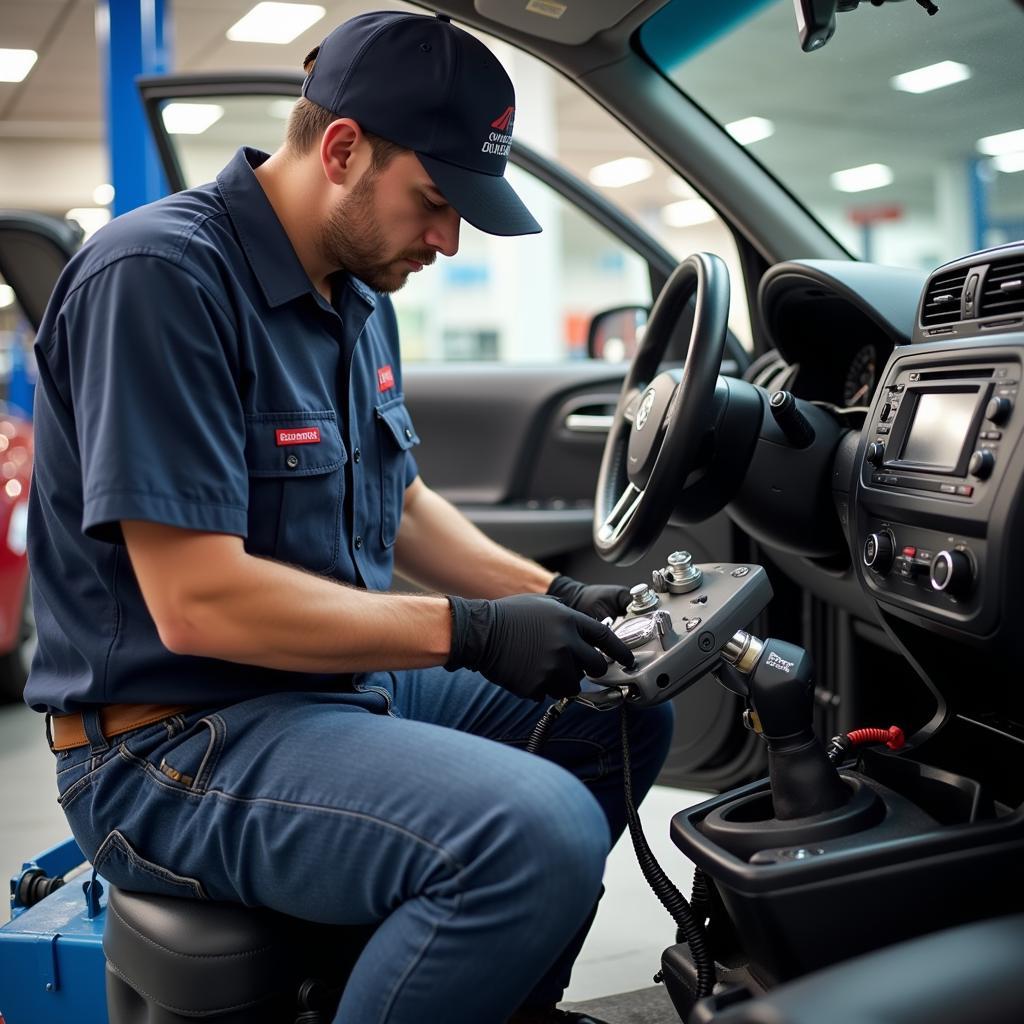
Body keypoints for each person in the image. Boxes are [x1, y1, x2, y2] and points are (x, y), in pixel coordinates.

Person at [26, 11, 675, 1023]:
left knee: (618, 704)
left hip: (326, 697)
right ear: (341, 150)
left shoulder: (356, 293)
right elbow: (197, 603)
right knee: (531, 831)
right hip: (169, 742)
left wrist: (557, 598)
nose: (448, 239)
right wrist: (470, 631)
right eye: (435, 201)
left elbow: (403, 502)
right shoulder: (158, 278)